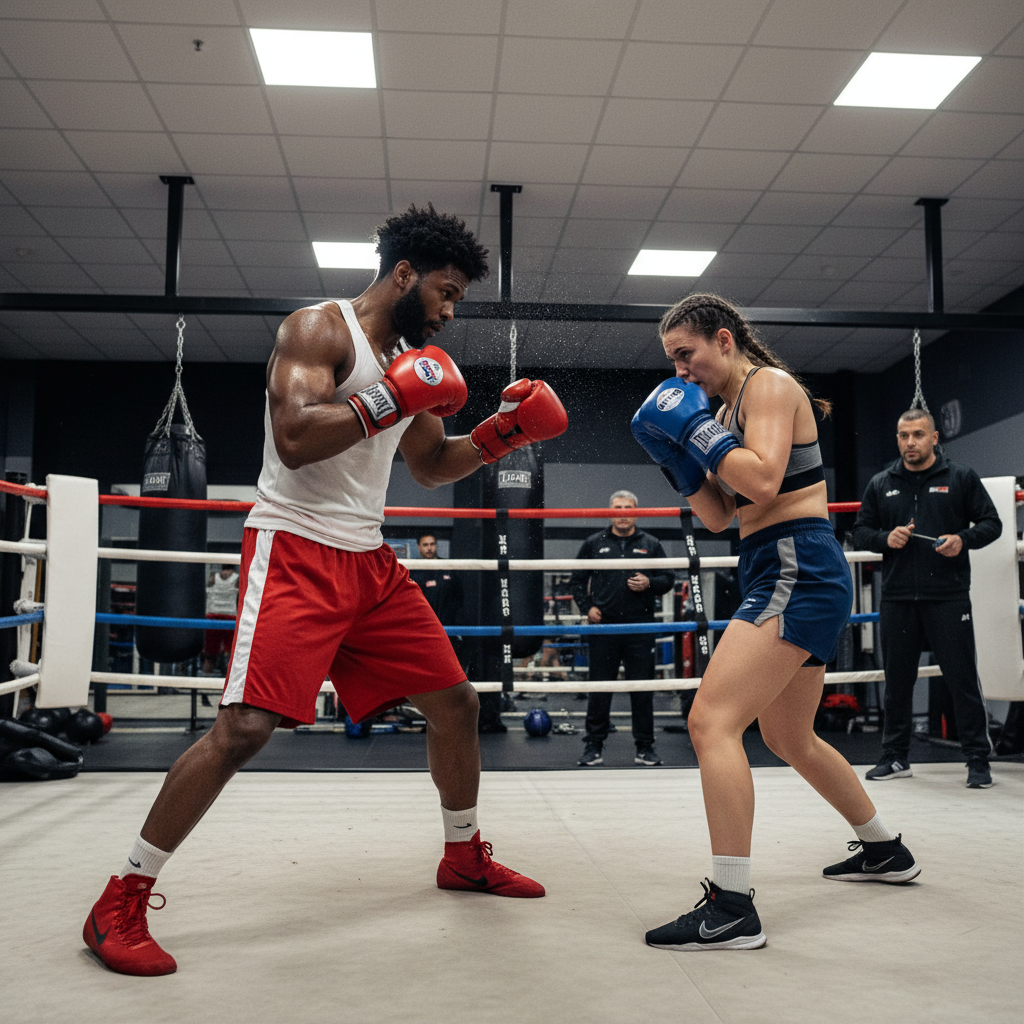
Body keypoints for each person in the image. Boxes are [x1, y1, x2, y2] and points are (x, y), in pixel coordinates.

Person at [84, 204, 568, 976]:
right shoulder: (318, 330)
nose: (450, 311)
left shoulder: (411, 358)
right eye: (445, 292)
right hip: (295, 551)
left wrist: (500, 435)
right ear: (404, 275)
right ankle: (120, 900)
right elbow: (295, 437)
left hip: (367, 562)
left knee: (456, 704)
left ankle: (462, 855)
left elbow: (429, 465)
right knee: (244, 729)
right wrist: (391, 397)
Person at [631, 293, 919, 951]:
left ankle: (732, 907)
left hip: (798, 563)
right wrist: (674, 455)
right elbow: (720, 515)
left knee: (711, 722)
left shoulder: (769, 387)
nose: (680, 371)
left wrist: (692, 429)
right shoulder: (723, 411)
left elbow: (762, 482)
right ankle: (884, 849)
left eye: (686, 354)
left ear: (724, 340)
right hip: (774, 563)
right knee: (789, 736)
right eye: (671, 360)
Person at [852, 408, 1001, 789]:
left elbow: (992, 524)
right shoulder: (881, 482)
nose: (910, 442)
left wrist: (962, 540)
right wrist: (886, 538)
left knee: (962, 679)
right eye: (904, 436)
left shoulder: (960, 477)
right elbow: (861, 531)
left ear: (934, 438)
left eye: (918, 435)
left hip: (948, 596)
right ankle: (895, 756)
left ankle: (977, 760)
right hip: (898, 596)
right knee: (897, 682)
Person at [570, 490, 674, 767]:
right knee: (600, 688)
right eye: (618, 508)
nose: (623, 513)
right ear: (610, 511)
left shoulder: (651, 543)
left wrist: (650, 583)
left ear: (636, 512)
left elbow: (668, 578)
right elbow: (576, 579)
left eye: (629, 508)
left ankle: (645, 747)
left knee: (642, 689)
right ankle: (593, 747)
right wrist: (587, 608)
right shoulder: (594, 543)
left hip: (640, 626)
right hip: (604, 626)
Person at [200, 565, 238, 675]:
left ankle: (205, 678)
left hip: (212, 615)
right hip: (230, 617)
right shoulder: (237, 578)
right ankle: (230, 678)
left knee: (210, 654)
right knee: (230, 653)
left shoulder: (213, 577)